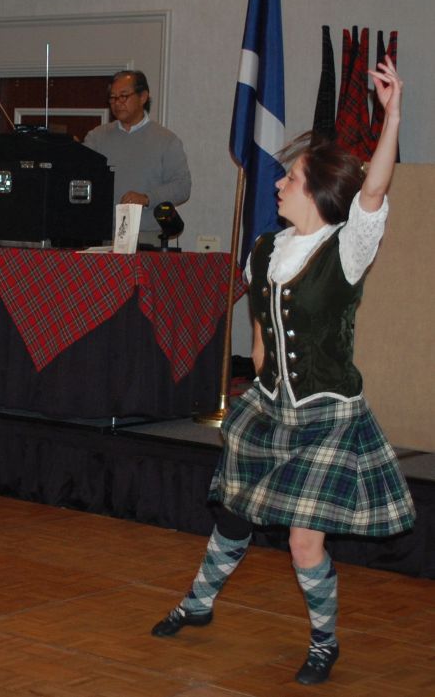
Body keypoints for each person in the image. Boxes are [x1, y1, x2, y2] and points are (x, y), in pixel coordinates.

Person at [149, 56, 414, 686]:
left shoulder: (347, 246)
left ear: (319, 191)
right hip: (269, 408)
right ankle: (199, 601)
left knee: (303, 542)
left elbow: (373, 191)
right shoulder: (267, 248)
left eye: (290, 178)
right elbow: (264, 330)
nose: (278, 184)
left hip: (326, 416)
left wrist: (393, 114)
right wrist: (258, 376)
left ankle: (326, 642)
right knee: (234, 515)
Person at [83, 70, 191, 235]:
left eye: (123, 96)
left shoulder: (167, 140)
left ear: (143, 97)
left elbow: (182, 187)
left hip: (146, 236)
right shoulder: (96, 137)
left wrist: (147, 198)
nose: (117, 103)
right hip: (100, 234)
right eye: (113, 97)